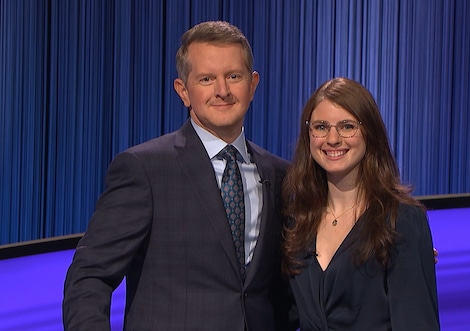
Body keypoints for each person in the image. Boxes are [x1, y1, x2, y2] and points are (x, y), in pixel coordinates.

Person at [63, 21, 296, 331]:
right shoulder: (145, 169)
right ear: (183, 91)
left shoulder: (280, 174)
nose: (222, 91)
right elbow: (89, 277)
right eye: (207, 79)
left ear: (252, 85)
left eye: (233, 76)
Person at [281, 77, 440, 330]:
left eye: (347, 126)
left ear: (370, 132)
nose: (332, 139)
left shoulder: (402, 221)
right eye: (321, 127)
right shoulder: (296, 221)